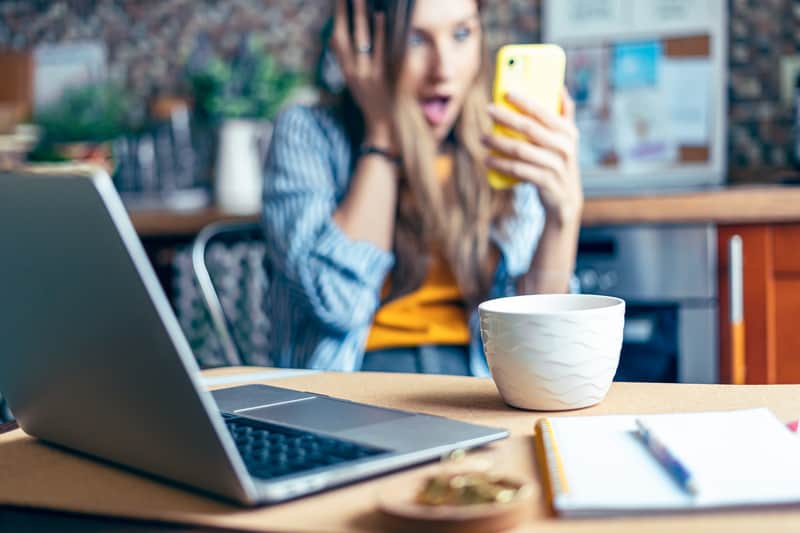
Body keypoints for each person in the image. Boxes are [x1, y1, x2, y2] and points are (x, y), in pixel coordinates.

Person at [261, 0, 582, 376]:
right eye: (415, 39)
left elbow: (537, 344)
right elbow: (339, 304)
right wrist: (380, 131)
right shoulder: (307, 133)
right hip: (351, 386)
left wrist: (563, 216)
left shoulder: (503, 143)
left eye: (461, 34)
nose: (443, 70)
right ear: (360, 42)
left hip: (476, 382)